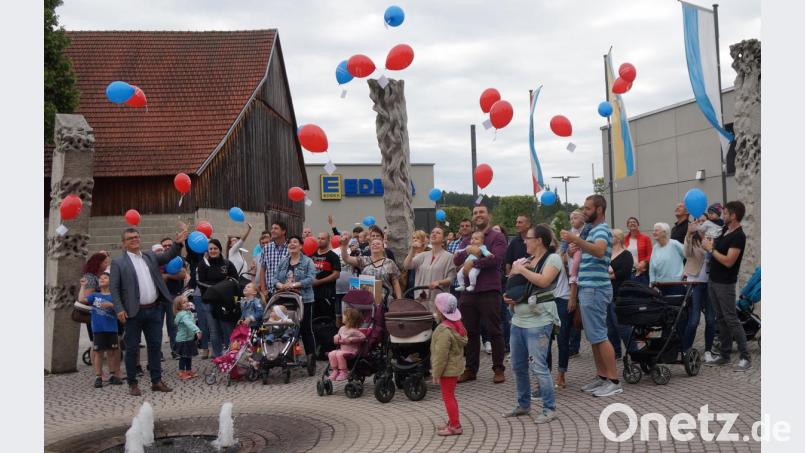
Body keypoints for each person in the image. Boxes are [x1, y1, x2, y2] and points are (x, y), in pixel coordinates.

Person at [111, 225, 188, 396]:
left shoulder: (150, 256)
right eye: (131, 238)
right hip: (133, 312)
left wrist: (177, 243)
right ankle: (132, 383)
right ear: (124, 243)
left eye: (136, 237)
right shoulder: (118, 262)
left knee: (155, 346)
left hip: (154, 309)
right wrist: (119, 308)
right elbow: (114, 288)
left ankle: (156, 381)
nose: (135, 240)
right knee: (132, 349)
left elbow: (168, 255)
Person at [561, 194, 621, 397]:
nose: (584, 211)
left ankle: (613, 380)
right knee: (594, 336)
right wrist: (573, 248)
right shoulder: (593, 231)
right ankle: (602, 376)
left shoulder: (602, 230)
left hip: (596, 289)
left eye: (588, 208)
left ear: (599, 210)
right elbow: (585, 254)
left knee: (600, 336)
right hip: (589, 288)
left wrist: (576, 239)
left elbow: (599, 251)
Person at [503, 224, 561, 423]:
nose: (524, 241)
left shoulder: (552, 258)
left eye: (528, 238)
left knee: (539, 366)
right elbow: (517, 285)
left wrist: (520, 270)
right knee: (518, 365)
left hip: (540, 319)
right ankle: (523, 404)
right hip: (518, 320)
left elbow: (544, 281)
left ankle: (549, 408)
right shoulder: (528, 260)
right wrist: (511, 297)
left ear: (540, 240)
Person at [452, 204, 508, 384]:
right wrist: (469, 254)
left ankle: (498, 368)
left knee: (494, 329)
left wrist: (473, 264)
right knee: (469, 331)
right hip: (469, 291)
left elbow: (497, 260)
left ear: (488, 215)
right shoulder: (467, 238)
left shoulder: (497, 237)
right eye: (475, 213)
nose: (478, 215)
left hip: (489, 289)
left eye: (481, 212)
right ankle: (470, 368)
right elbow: (457, 259)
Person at [702, 201, 751, 371]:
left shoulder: (738, 236)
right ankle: (724, 355)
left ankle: (745, 357)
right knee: (720, 319)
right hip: (713, 280)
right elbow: (717, 250)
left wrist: (710, 249)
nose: (723, 215)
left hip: (725, 283)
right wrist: (709, 243)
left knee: (731, 320)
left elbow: (729, 261)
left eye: (725, 213)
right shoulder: (724, 230)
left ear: (733, 216)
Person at [430, 293, 468, 436]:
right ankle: (452, 420)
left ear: (440, 311)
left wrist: (436, 373)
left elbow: (441, 355)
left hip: (447, 370)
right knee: (450, 396)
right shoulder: (458, 325)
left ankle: (455, 426)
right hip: (455, 367)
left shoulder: (443, 330)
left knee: (448, 397)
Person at [274, 236, 318, 357]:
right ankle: (287, 355)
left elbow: (310, 279)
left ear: (301, 246)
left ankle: (311, 357)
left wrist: (294, 284)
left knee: (305, 329)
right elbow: (275, 278)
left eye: (295, 242)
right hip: (285, 299)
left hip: (304, 299)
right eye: (290, 242)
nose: (292, 244)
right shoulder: (283, 261)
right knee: (286, 327)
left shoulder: (308, 261)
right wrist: (281, 285)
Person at [197, 238, 239, 358]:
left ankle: (231, 355)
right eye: (210, 249)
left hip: (225, 302)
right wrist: (217, 287)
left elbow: (235, 279)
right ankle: (218, 356)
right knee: (214, 331)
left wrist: (224, 287)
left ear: (220, 249)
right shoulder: (203, 264)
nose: (213, 251)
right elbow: (200, 282)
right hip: (209, 302)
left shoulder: (227, 264)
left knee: (227, 330)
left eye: (215, 248)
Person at [79, 272, 123, 388]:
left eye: (105, 277)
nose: (102, 279)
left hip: (112, 329)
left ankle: (112, 374)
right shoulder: (94, 295)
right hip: (98, 330)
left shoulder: (114, 296)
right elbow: (82, 300)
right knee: (98, 353)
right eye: (100, 278)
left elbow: (121, 310)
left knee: (112, 353)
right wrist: (83, 286)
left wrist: (111, 305)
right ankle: (98, 376)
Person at [683, 219, 717, 361]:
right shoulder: (692, 237)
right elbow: (686, 253)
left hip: (710, 283)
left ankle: (708, 352)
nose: (701, 223)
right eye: (699, 221)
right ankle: (686, 350)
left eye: (704, 221)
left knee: (710, 319)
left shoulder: (712, 238)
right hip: (695, 282)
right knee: (694, 320)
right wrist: (689, 234)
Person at [403, 226, 457, 309]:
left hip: (438, 299)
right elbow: (407, 266)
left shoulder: (449, 257)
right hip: (421, 299)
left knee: (437, 321)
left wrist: (439, 282)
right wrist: (412, 250)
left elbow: (451, 279)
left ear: (443, 239)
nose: (434, 234)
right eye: (432, 232)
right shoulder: (422, 255)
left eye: (438, 233)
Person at [340, 232, 403, 300]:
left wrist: (399, 300)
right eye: (373, 244)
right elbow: (346, 259)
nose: (375, 245)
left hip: (385, 299)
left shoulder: (390, 263)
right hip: (366, 300)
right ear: (370, 247)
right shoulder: (363, 260)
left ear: (383, 248)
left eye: (378, 244)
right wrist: (344, 245)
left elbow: (395, 283)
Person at [503, 214, 531, 354]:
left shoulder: (535, 241)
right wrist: (511, 280)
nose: (517, 224)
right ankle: (515, 349)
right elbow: (508, 263)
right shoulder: (514, 242)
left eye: (520, 222)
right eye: (516, 222)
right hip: (516, 286)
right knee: (513, 318)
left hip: (531, 285)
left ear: (528, 224)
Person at [80, 252, 111, 374]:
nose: (106, 264)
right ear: (98, 263)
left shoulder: (97, 276)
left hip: (102, 314)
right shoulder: (90, 277)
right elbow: (88, 299)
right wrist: (105, 303)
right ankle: (98, 372)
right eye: (105, 262)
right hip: (94, 315)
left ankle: (104, 371)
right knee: (96, 344)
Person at [607, 229, 634, 359]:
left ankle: (633, 351)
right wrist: (609, 275)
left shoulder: (626, 254)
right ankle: (615, 352)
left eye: (611, 236)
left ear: (618, 238)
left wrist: (609, 275)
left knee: (621, 326)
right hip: (607, 293)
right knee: (610, 327)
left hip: (621, 293)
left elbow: (623, 272)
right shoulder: (607, 254)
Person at [160, 237, 185, 359]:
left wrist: (167, 275)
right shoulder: (158, 260)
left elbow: (182, 274)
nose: (167, 247)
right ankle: (157, 353)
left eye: (169, 245)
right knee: (157, 326)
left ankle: (175, 351)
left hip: (174, 296)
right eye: (164, 246)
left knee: (173, 325)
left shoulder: (179, 259)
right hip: (158, 298)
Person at [327, 308, 366, 381]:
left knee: (339, 354)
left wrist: (352, 339)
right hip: (342, 349)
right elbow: (338, 335)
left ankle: (343, 372)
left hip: (352, 351)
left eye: (344, 316)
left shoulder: (354, 331)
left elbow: (363, 337)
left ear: (349, 319)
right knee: (331, 354)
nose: (342, 317)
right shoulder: (342, 328)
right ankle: (335, 370)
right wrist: (336, 337)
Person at [311, 231, 341, 319]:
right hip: (312, 294)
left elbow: (336, 274)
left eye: (323, 239)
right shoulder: (312, 255)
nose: (320, 240)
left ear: (328, 240)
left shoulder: (333, 256)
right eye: (319, 238)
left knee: (327, 320)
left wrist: (319, 282)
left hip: (327, 294)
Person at [257, 221, 289, 300]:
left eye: (276, 228)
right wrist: (264, 290)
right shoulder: (267, 248)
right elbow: (263, 269)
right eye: (272, 228)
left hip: (288, 291)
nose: (272, 230)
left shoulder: (290, 247)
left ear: (283, 231)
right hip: (270, 292)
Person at [173, 294, 201, 380]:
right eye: (184, 302)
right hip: (183, 340)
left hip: (188, 339)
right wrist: (197, 330)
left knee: (189, 356)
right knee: (184, 357)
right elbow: (189, 324)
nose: (187, 303)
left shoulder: (188, 312)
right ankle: (181, 372)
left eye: (187, 301)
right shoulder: (183, 315)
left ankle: (188, 370)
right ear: (179, 306)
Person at [648, 223, 685, 287]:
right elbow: (652, 268)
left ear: (664, 232)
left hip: (675, 284)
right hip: (659, 285)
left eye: (656, 230)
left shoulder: (674, 244)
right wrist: (652, 282)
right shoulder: (655, 247)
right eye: (653, 231)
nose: (654, 232)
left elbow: (689, 255)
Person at [623, 217, 652, 285]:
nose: (632, 223)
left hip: (641, 271)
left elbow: (650, 254)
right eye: (630, 222)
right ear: (627, 226)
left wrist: (644, 262)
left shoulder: (645, 238)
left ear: (638, 225)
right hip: (628, 272)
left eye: (634, 222)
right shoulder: (624, 240)